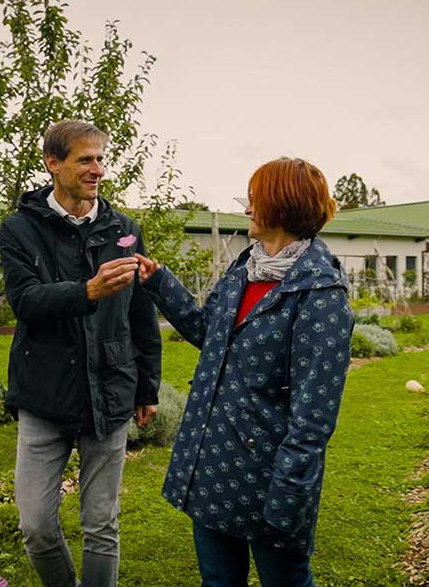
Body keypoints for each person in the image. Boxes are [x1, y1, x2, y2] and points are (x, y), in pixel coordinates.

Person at [136, 157, 354, 587]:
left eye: (256, 198)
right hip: (214, 460)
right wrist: (160, 281)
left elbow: (314, 416)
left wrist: (290, 493)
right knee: (218, 581)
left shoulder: (320, 296)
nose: (248, 208)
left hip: (270, 474)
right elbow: (208, 333)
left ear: (281, 206)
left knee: (285, 582)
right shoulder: (244, 269)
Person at [0, 119, 162, 587]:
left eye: (101, 159)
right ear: (53, 163)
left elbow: (140, 313)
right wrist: (87, 290)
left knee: (101, 525)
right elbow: (25, 301)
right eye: (85, 159)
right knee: (36, 527)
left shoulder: (123, 229)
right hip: (44, 392)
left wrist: (147, 384)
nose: (98, 170)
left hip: (109, 390)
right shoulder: (20, 229)